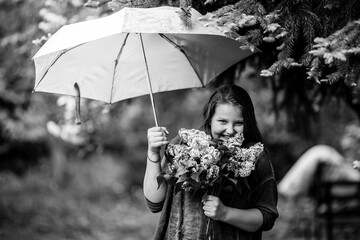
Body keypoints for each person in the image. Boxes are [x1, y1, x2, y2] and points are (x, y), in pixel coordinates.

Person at [143, 85, 279, 240]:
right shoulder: (183, 146)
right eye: (222, 121)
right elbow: (154, 204)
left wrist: (225, 213)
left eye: (238, 123)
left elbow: (267, 217)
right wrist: (153, 153)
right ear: (210, 119)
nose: (230, 130)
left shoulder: (254, 156)